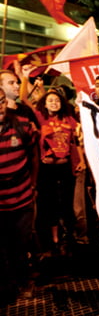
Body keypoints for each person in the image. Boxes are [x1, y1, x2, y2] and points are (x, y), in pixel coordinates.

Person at [34, 89, 85, 257]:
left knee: (67, 205)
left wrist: (81, 160)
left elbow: (76, 141)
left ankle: (68, 239)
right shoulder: (40, 118)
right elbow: (27, 104)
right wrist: (24, 78)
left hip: (65, 168)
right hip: (46, 169)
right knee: (48, 205)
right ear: (44, 103)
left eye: (57, 100)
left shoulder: (69, 120)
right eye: (50, 100)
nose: (54, 103)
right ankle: (53, 242)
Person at [0, 87, 39, 304]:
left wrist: (33, 184)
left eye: (1, 101)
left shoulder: (23, 126)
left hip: (22, 197)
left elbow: (34, 156)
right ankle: (8, 286)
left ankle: (25, 281)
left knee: (20, 243)